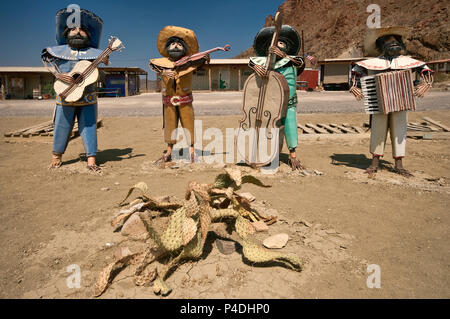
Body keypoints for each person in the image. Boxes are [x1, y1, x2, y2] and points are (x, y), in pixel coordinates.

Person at [350, 27, 434, 177]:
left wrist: (425, 84)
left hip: (401, 102)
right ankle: (374, 163)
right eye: (388, 41)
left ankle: (399, 165)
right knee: (377, 131)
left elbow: (425, 70)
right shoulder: (372, 63)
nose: (393, 44)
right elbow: (356, 71)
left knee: (400, 132)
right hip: (379, 103)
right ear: (381, 45)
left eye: (395, 40)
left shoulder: (408, 62)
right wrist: (354, 86)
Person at [42, 8, 108, 172]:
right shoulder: (57, 52)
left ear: (88, 34)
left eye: (82, 29)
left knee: (89, 126)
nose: (77, 32)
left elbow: (104, 63)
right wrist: (58, 74)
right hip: (64, 96)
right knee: (61, 127)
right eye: (73, 29)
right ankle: (56, 157)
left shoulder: (94, 54)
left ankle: (91, 159)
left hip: (88, 97)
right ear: (66, 33)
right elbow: (46, 60)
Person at [149, 26, 209, 164]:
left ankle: (192, 151)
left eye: (179, 44)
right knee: (170, 126)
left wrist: (205, 57)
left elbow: (201, 62)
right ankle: (169, 151)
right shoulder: (162, 63)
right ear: (167, 47)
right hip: (169, 101)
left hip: (185, 100)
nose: (175, 46)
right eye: (172, 43)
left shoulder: (190, 63)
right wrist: (163, 72)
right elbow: (152, 65)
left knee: (188, 124)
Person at [249, 25, 306, 170]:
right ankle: (270, 156)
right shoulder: (267, 64)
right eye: (273, 44)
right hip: (272, 104)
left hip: (290, 103)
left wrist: (284, 56)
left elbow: (300, 63)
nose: (276, 47)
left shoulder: (293, 61)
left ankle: (293, 156)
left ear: (287, 45)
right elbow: (251, 62)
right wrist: (256, 68)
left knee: (290, 127)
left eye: (280, 43)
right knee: (271, 129)